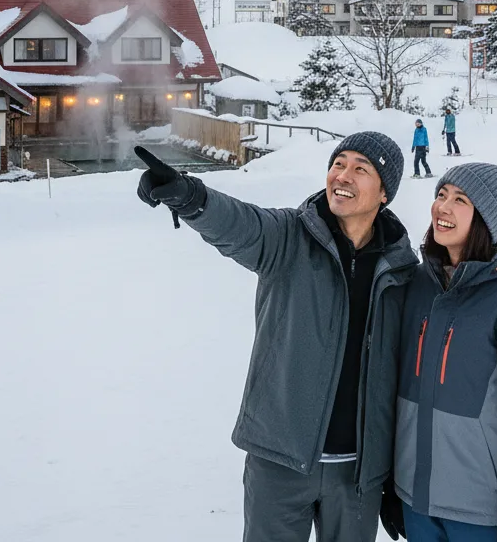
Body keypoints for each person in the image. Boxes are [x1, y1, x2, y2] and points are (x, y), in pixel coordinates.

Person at [135, 132, 418, 542]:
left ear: (385, 193)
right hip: (279, 459)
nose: (343, 175)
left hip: (358, 473)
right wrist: (189, 196)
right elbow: (240, 224)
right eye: (338, 164)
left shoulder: (402, 270)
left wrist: (391, 474)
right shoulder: (289, 237)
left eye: (361, 169)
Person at [386, 164, 497, 542]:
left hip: (478, 511)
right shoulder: (417, 284)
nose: (443, 207)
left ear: (485, 218)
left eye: (460, 200)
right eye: (441, 194)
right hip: (414, 500)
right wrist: (390, 479)